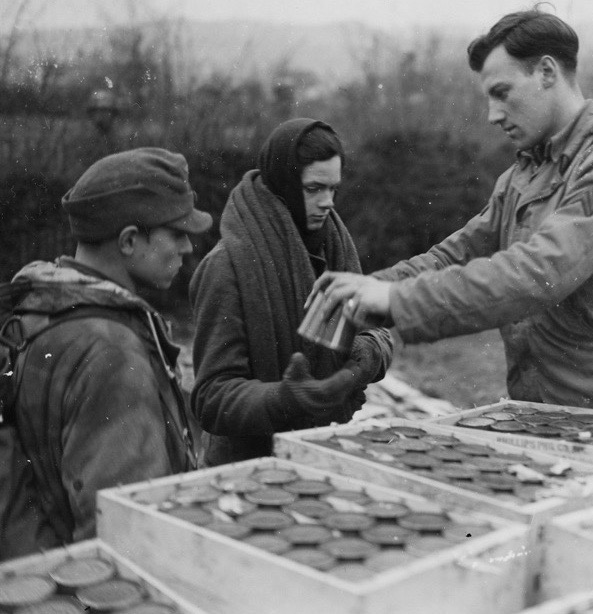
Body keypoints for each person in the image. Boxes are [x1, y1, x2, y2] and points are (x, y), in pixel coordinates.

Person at [311, 9, 593, 417]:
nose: (492, 115)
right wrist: (366, 289)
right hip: (540, 412)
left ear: (545, 72)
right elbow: (455, 256)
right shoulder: (521, 177)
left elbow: (539, 272)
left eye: (502, 93)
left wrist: (395, 300)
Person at [3, 147, 212, 558]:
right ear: (130, 241)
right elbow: (124, 533)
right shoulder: (113, 353)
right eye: (176, 233)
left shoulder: (39, 310)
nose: (188, 247)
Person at [189, 118, 393, 466]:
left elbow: (376, 330)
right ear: (283, 183)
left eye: (333, 189)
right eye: (314, 189)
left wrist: (368, 351)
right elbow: (212, 397)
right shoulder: (228, 266)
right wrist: (283, 399)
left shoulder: (333, 250)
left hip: (323, 449)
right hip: (251, 466)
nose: (327, 202)